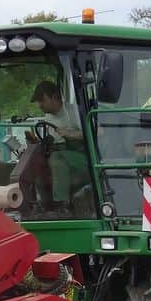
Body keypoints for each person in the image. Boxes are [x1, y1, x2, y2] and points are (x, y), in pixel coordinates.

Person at [23, 80, 89, 209]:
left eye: (42, 100)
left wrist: (70, 134)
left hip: (82, 157)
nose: (39, 105)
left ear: (54, 97)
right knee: (34, 162)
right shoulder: (47, 119)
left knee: (57, 160)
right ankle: (36, 206)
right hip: (57, 153)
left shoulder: (74, 112)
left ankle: (62, 206)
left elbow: (97, 133)